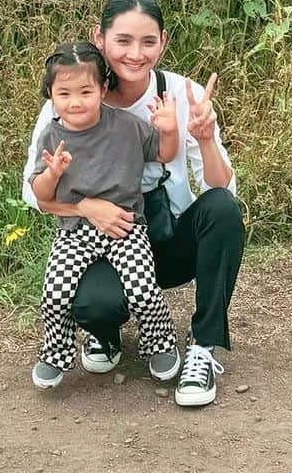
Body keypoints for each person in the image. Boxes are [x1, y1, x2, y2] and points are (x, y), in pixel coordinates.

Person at [22, 0, 245, 407]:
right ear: (100, 38)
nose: (135, 54)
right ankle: (104, 334)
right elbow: (33, 195)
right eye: (123, 41)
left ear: (163, 42)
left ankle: (202, 346)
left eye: (147, 42)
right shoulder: (71, 95)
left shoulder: (181, 94)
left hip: (166, 235)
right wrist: (87, 206)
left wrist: (203, 138)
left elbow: (220, 185)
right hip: (99, 243)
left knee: (223, 211)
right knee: (89, 301)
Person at [28, 40, 181, 390]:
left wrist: (169, 128)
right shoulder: (52, 134)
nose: (76, 101)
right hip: (74, 230)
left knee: (144, 289)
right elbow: (40, 195)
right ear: (50, 94)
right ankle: (55, 353)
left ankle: (160, 343)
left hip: (126, 225)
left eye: (85, 90)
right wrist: (53, 173)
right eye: (64, 93)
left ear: (103, 88)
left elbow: (164, 153)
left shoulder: (127, 126)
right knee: (55, 293)